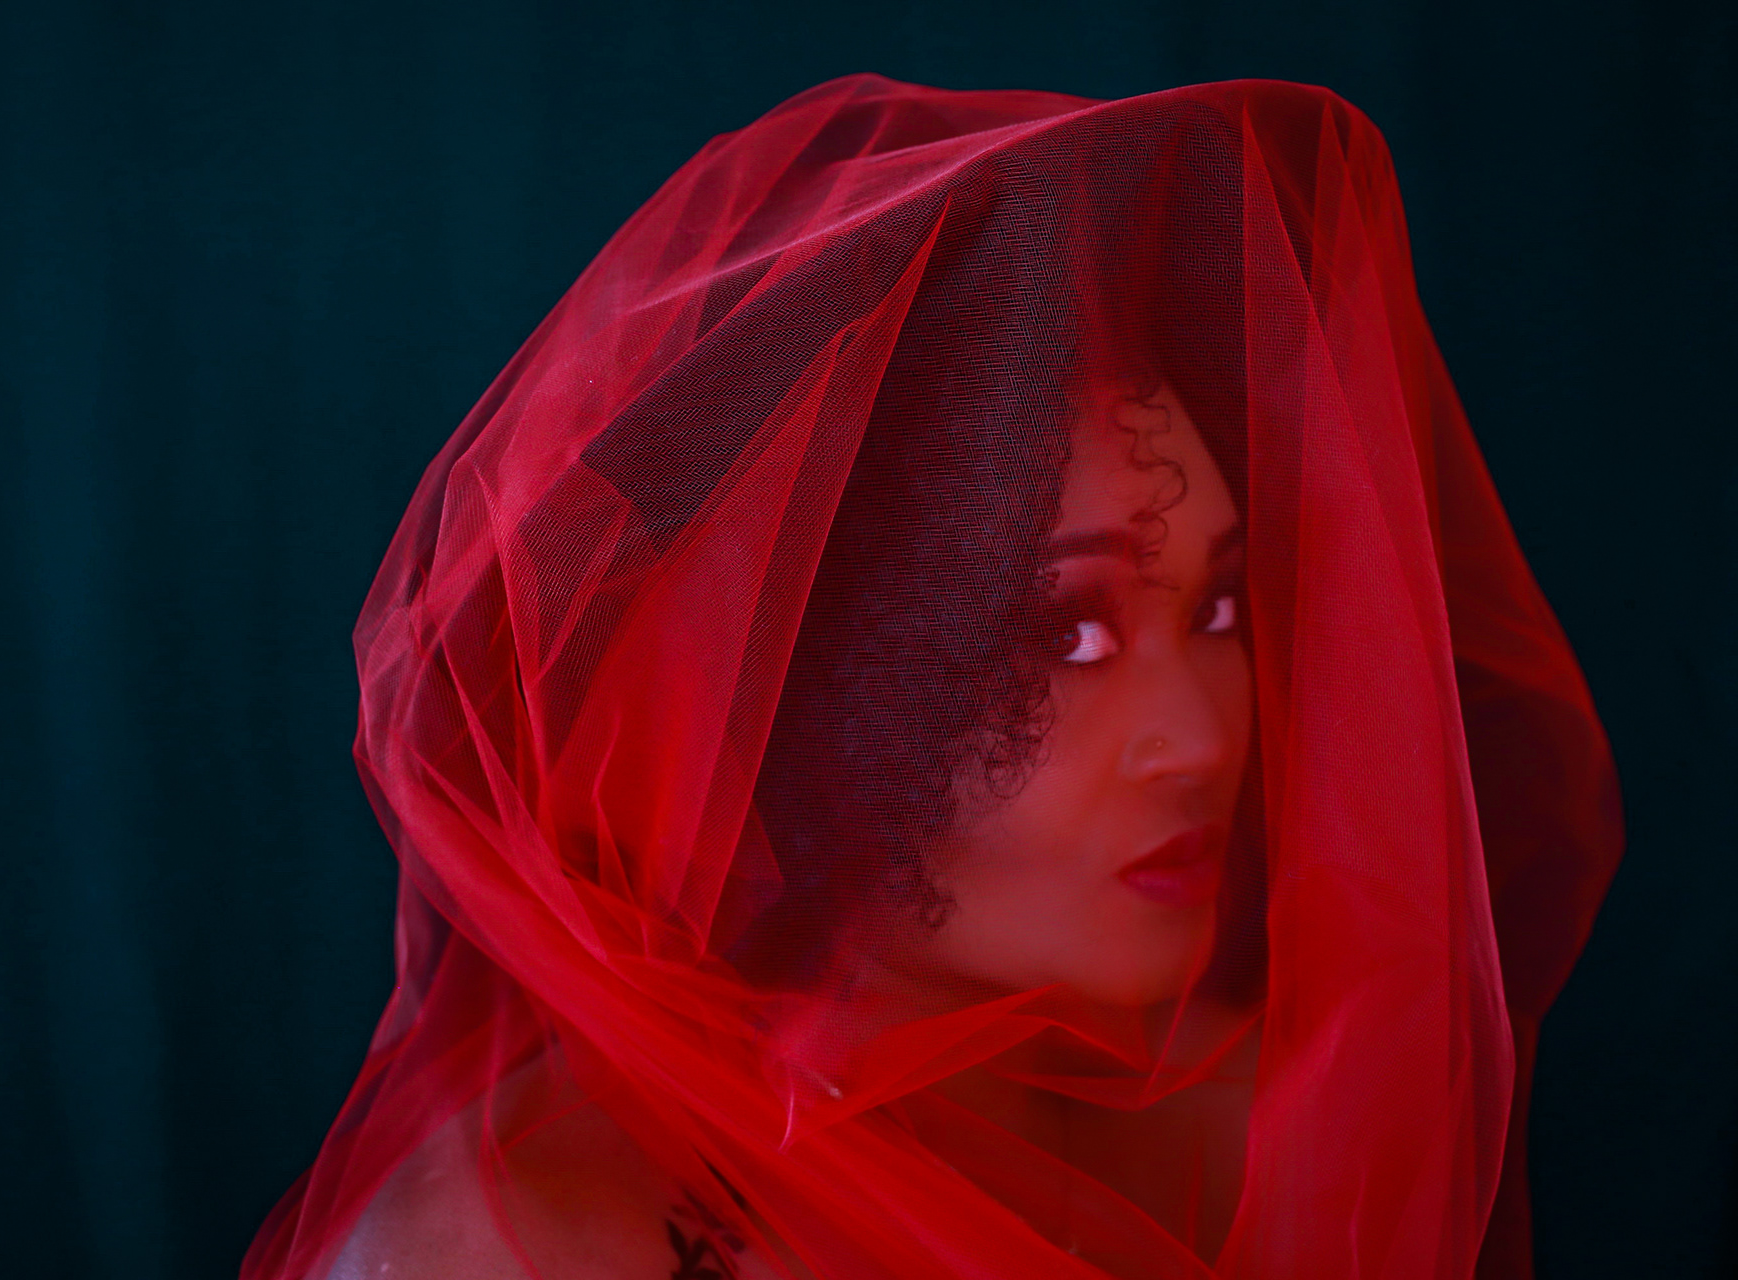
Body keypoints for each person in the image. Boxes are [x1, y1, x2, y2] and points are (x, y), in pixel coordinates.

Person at [244, 75, 1622, 1280]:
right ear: (828, 676)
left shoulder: (1298, 1126)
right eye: (1069, 636)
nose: (1200, 741)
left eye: (1215, 608)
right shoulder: (533, 1241)